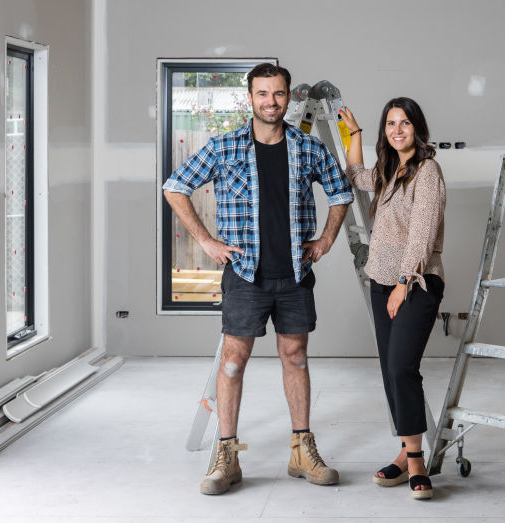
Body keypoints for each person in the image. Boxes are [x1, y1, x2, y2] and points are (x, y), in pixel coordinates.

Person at [163, 63, 353, 495]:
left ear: (288, 98)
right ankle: (226, 456)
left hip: (294, 274)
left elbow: (340, 193)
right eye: (263, 94)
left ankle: (302, 450)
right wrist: (208, 242)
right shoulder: (224, 146)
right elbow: (176, 187)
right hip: (245, 276)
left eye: (279, 94)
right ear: (249, 98)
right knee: (232, 361)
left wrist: (325, 240)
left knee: (297, 358)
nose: (271, 101)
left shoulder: (306, 147)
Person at [339, 97, 446, 501]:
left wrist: (404, 283)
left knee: (403, 366)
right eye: (390, 124)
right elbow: (354, 175)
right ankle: (405, 453)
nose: (397, 130)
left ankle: (416, 460)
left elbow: (422, 232)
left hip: (416, 283)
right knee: (389, 369)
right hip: (381, 283)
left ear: (418, 129)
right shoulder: (388, 170)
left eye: (404, 123)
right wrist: (356, 134)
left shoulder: (427, 171)